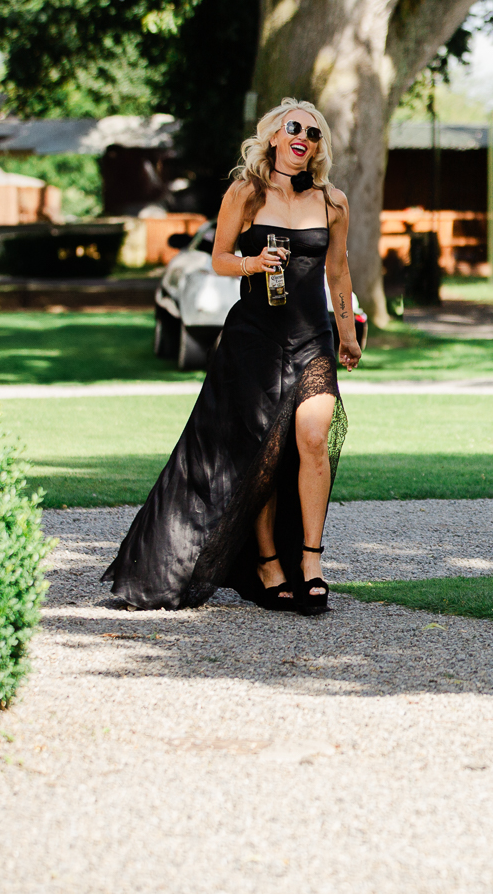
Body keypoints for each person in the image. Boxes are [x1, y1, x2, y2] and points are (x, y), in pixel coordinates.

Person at [103, 98, 362, 614]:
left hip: (313, 339)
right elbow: (219, 258)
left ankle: (310, 561)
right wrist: (254, 262)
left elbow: (338, 271)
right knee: (261, 451)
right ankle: (268, 566)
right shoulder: (246, 191)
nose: (303, 138)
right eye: (294, 128)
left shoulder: (333, 201)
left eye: (313, 134)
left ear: (318, 148)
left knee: (313, 438)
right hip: (255, 338)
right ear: (272, 135)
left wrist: (347, 332)